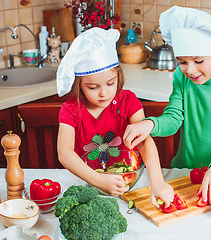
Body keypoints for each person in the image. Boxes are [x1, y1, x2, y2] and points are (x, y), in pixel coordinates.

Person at [123, 6, 211, 205]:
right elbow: (173, 118)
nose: (190, 70)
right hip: (183, 173)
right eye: (182, 62)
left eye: (198, 60)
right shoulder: (181, 78)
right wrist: (150, 124)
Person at [56, 27, 174, 206]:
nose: (104, 93)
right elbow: (64, 153)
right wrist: (98, 180)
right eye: (93, 88)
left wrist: (157, 181)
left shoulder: (128, 101)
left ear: (118, 76)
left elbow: (143, 140)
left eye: (110, 83)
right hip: (90, 186)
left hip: (130, 183)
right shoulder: (71, 109)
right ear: (79, 86)